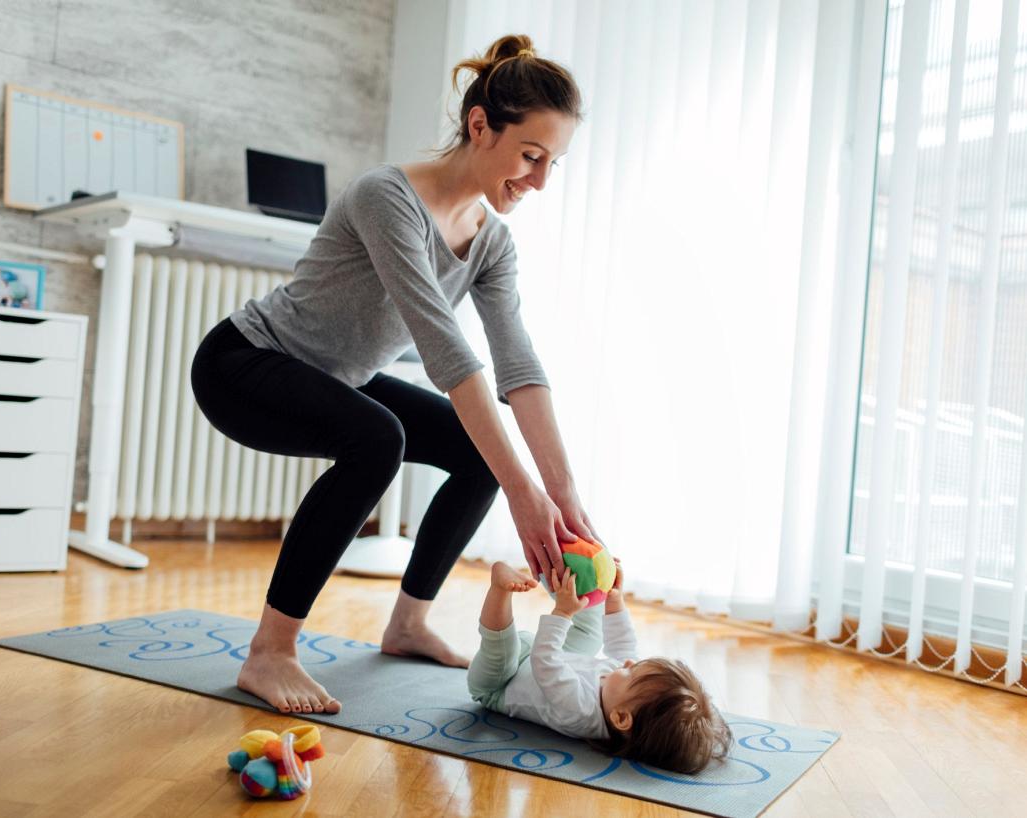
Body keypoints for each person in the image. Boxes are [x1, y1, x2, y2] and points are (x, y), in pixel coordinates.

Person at [190, 34, 597, 716]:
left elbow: (517, 364)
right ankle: (270, 651)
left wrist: (563, 494)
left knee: (473, 454)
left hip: (337, 378)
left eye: (553, 162)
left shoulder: (492, 241)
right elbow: (447, 350)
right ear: (479, 126)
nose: (540, 181)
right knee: (379, 439)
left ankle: (407, 622)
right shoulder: (388, 197)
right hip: (244, 363)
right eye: (531, 156)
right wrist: (523, 493)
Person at [467, 561, 733, 774]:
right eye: (637, 665)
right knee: (591, 632)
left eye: (632, 672)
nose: (629, 663)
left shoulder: (580, 711)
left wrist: (562, 612)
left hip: (501, 683)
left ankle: (500, 589)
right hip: (555, 658)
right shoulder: (622, 695)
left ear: (620, 718)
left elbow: (544, 662)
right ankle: (567, 575)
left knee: (503, 649)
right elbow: (623, 645)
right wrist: (613, 598)